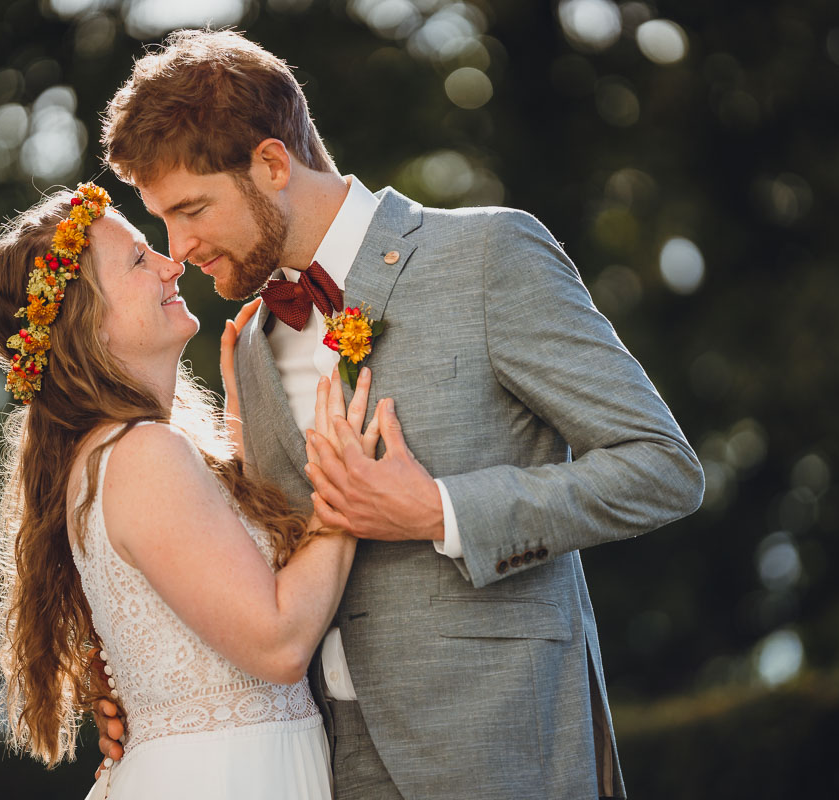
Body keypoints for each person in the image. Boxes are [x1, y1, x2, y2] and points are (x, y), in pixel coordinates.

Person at [95, 29, 705, 799]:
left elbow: (663, 469)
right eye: (162, 221)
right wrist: (149, 691)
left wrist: (441, 510)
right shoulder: (251, 341)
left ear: (272, 164)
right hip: (324, 767)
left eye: (190, 210)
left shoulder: (488, 257)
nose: (176, 249)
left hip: (500, 752)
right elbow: (253, 562)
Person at [0, 182, 391, 798]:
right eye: (140, 259)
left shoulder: (115, 455)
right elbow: (278, 642)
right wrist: (344, 487)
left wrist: (247, 432)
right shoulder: (141, 455)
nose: (172, 263)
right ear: (89, 321)